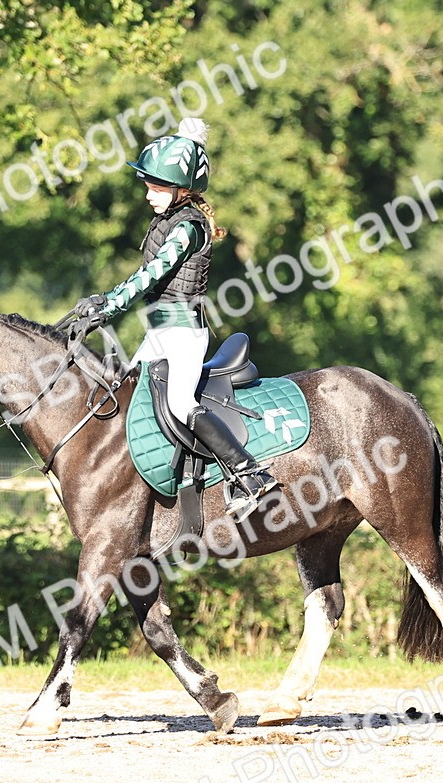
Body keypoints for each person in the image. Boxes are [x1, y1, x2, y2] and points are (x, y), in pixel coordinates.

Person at [70, 117, 277, 521]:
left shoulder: (187, 228)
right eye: (148, 185)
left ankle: (249, 474)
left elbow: (153, 273)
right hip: (160, 331)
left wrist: (109, 304)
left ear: (183, 190)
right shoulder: (165, 221)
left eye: (158, 186)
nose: (148, 194)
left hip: (183, 334)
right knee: (126, 401)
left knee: (180, 403)